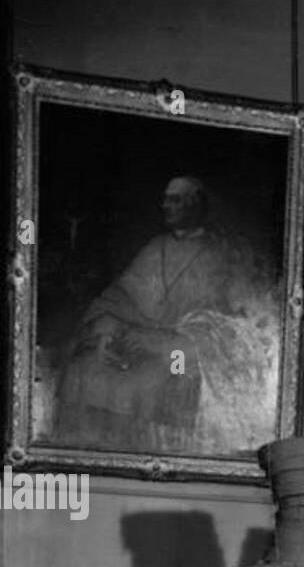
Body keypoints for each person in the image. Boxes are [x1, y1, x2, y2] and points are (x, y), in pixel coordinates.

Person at [56, 176, 277, 454]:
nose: (165, 205)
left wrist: (162, 342)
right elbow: (119, 296)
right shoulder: (155, 246)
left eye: (175, 200)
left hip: (182, 356)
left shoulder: (222, 253)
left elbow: (234, 325)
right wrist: (106, 327)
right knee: (84, 369)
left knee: (152, 380)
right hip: (136, 342)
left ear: (196, 204)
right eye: (164, 199)